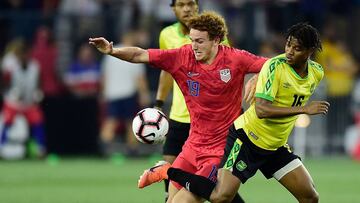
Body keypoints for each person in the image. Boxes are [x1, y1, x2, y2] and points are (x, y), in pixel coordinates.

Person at [138, 23, 330, 203]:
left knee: (310, 197)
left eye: (296, 48)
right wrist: (305, 109)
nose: (289, 51)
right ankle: (167, 172)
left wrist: (257, 78)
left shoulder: (316, 72)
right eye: (288, 45)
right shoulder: (274, 67)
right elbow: (262, 110)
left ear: (310, 51)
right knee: (220, 197)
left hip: (275, 146)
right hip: (246, 140)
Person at [89, 11, 266, 203]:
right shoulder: (182, 56)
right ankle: (167, 171)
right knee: (171, 201)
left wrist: (259, 76)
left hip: (220, 150)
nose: (194, 46)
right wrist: (112, 51)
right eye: (192, 40)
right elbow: (141, 54)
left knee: (186, 201)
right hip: (192, 146)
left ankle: (166, 171)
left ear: (216, 40)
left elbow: (273, 65)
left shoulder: (236, 58)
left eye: (200, 41)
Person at [153, 0, 233, 201]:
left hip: (208, 123)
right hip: (179, 116)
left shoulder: (214, 36)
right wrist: (159, 103)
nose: (187, 8)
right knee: (172, 174)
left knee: (212, 184)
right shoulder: (166, 35)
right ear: (173, 8)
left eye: (190, 3)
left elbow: (228, 69)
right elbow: (167, 71)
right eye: (181, 4)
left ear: (197, 6)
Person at [100, 31, 151, 156]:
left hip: (112, 93)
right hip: (128, 93)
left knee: (111, 121)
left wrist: (103, 92)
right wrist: (144, 94)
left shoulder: (110, 52)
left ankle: (103, 149)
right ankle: (132, 151)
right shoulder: (135, 52)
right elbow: (139, 78)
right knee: (131, 123)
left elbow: (104, 75)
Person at [0, 39, 46, 157]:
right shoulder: (12, 67)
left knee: (38, 120)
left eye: (26, 54)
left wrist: (38, 93)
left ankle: (41, 148)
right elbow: (5, 83)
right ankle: (1, 145)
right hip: (13, 102)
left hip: (29, 103)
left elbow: (39, 83)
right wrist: (11, 93)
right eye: (21, 55)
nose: (24, 57)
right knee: (7, 121)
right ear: (18, 56)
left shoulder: (35, 67)